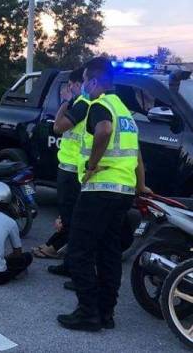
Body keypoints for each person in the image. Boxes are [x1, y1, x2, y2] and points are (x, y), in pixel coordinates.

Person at [57, 57, 150, 332]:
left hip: (100, 188)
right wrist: (141, 185)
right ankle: (106, 312)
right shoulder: (125, 112)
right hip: (123, 190)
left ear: (94, 81)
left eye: (86, 81)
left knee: (79, 250)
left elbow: (103, 131)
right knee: (109, 252)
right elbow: (137, 155)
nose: (84, 86)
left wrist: (92, 165)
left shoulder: (100, 105)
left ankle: (87, 312)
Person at [33, 68, 88, 263]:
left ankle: (56, 248)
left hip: (72, 168)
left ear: (77, 84)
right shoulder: (87, 104)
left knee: (69, 214)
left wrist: (65, 100)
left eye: (71, 86)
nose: (70, 89)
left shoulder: (81, 104)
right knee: (70, 213)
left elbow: (57, 127)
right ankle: (58, 248)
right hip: (75, 167)